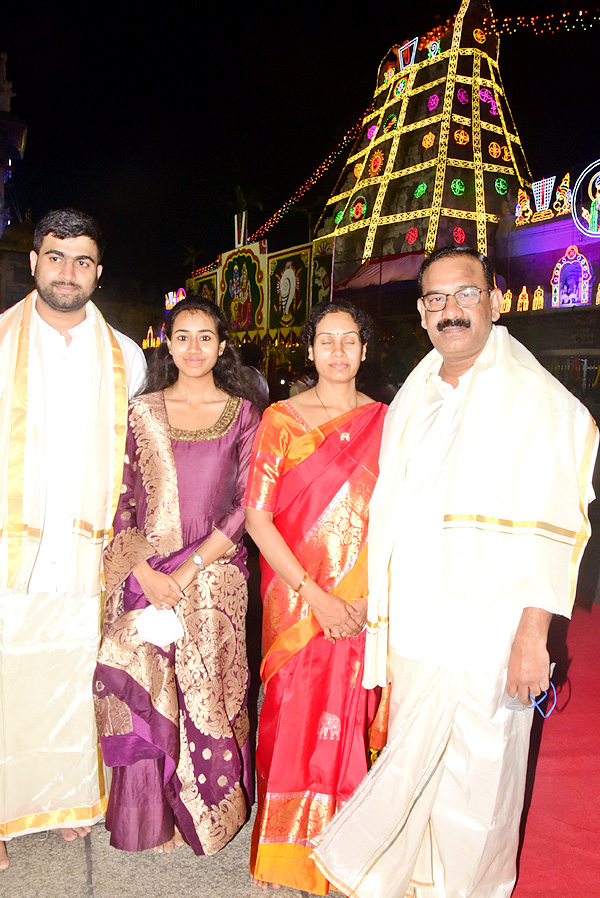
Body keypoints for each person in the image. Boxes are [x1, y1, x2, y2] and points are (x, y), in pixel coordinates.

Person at [313, 246, 599, 898]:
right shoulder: (419, 389)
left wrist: (534, 635)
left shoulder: (535, 402)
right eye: (437, 300)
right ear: (420, 313)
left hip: (489, 628)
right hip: (418, 620)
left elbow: (552, 527)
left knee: (482, 771)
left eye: (464, 295)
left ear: (494, 301)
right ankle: (418, 881)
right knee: (421, 759)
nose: (452, 312)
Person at [0, 208, 146, 871]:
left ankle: (65, 798)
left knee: (66, 671)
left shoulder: (126, 357)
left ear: (98, 271)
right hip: (10, 542)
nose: (68, 271)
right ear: (33, 261)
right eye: (56, 257)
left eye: (82, 260)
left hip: (82, 546)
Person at [93, 297, 261, 855]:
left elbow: (245, 505)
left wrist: (188, 571)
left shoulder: (242, 413)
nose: (194, 348)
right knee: (151, 690)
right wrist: (145, 570)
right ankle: (151, 816)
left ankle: (203, 815)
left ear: (221, 345)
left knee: (206, 690)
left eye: (205, 337)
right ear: (167, 342)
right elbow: (122, 502)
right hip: (146, 571)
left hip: (212, 573)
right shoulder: (141, 411)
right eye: (183, 336)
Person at [245, 300, 388, 894]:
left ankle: (348, 849)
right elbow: (257, 519)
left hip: (363, 603)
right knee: (293, 716)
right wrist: (316, 597)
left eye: (348, 340)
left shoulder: (388, 420)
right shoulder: (280, 420)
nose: (336, 351)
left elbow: (396, 514)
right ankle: (286, 852)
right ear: (309, 350)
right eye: (325, 341)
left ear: (364, 348)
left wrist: (366, 598)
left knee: (352, 718)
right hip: (298, 603)